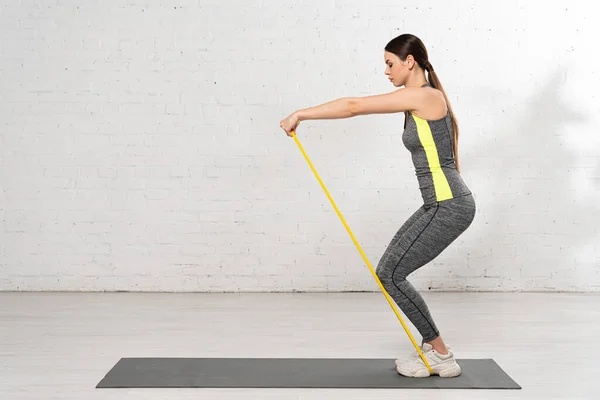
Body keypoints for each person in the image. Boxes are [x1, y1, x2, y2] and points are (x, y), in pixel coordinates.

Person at [279, 33, 476, 378]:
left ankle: (441, 355)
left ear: (409, 61)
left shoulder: (424, 97)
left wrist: (301, 113)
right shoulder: (417, 98)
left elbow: (354, 106)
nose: (386, 71)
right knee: (388, 270)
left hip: (449, 204)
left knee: (390, 273)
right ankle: (435, 348)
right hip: (438, 204)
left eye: (390, 63)